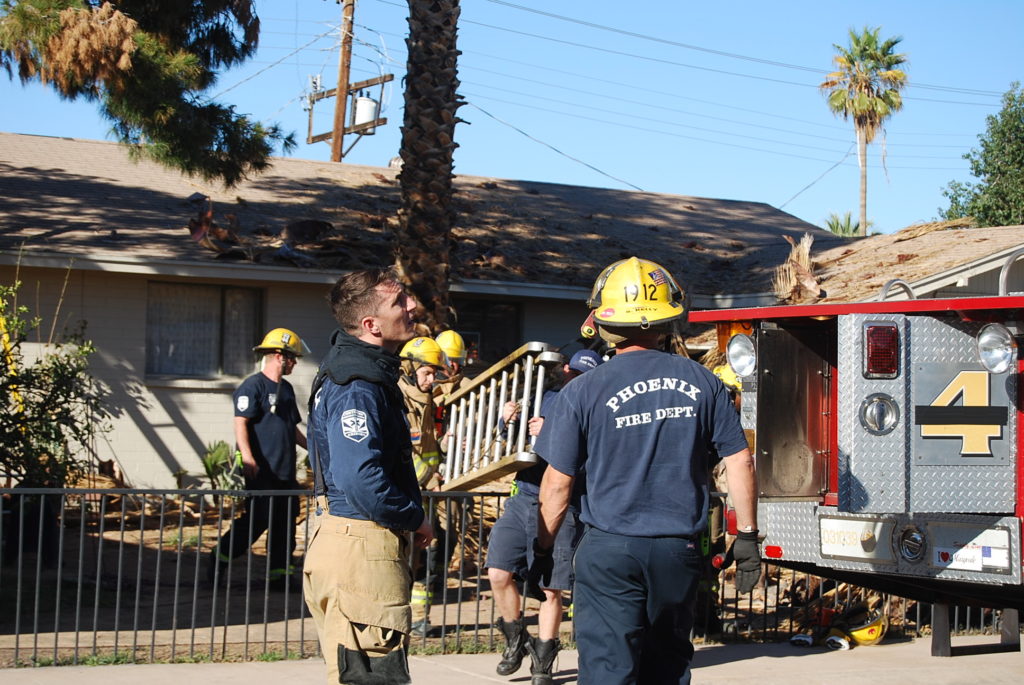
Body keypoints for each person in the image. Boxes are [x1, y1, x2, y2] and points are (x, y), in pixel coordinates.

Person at [530, 257, 761, 685]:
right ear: (667, 318)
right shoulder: (705, 382)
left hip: (609, 548)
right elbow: (740, 461)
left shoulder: (582, 390)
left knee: (608, 670)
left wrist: (542, 551)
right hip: (677, 549)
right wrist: (746, 535)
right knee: (666, 669)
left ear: (604, 320)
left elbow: (557, 484)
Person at [303, 268, 432, 685]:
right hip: (361, 550)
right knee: (373, 678)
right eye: (399, 302)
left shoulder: (357, 370)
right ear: (371, 324)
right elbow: (360, 479)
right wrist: (414, 516)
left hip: (345, 543)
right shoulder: (358, 383)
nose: (412, 306)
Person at [486, 348, 603, 685]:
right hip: (524, 494)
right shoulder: (544, 398)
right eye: (574, 373)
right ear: (566, 371)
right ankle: (515, 638)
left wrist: (552, 432)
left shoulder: (596, 410)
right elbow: (512, 443)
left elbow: (592, 460)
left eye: (584, 376)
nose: (576, 380)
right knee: (498, 572)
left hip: (564, 503)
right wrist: (506, 421)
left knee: (551, 588)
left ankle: (543, 661)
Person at [208, 327, 307, 589]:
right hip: (262, 471)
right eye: (292, 358)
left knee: (285, 522)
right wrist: (248, 457)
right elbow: (240, 422)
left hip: (285, 473)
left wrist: (314, 448)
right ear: (279, 356)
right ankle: (219, 558)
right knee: (258, 519)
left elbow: (291, 427)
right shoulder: (253, 386)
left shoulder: (286, 390)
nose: (295, 363)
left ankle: (279, 576)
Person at [398, 336, 449, 637]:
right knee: (401, 560)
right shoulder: (398, 399)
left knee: (427, 557)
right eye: (427, 372)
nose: (432, 379)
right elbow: (402, 454)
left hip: (426, 496)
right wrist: (430, 478)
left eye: (434, 373)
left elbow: (428, 448)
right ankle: (397, 620)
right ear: (409, 368)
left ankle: (420, 619)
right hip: (406, 496)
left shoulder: (427, 401)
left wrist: (446, 445)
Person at [434, 329, 468, 396]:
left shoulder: (467, 386)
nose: (451, 364)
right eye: (447, 359)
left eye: (455, 359)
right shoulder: (427, 384)